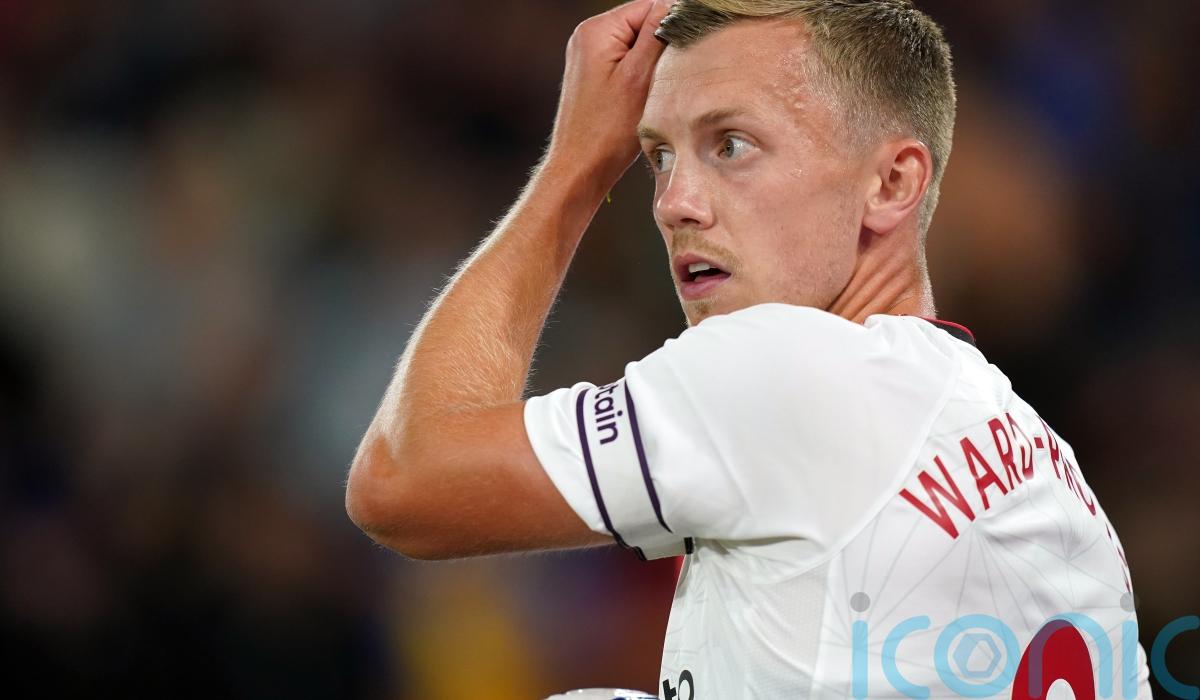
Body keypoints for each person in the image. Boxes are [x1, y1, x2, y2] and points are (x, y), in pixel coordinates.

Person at [345, 0, 1152, 696]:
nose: (673, 203)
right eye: (656, 157)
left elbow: (403, 480)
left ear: (892, 183)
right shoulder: (1039, 457)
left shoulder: (787, 366)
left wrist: (576, 168)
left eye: (731, 145)